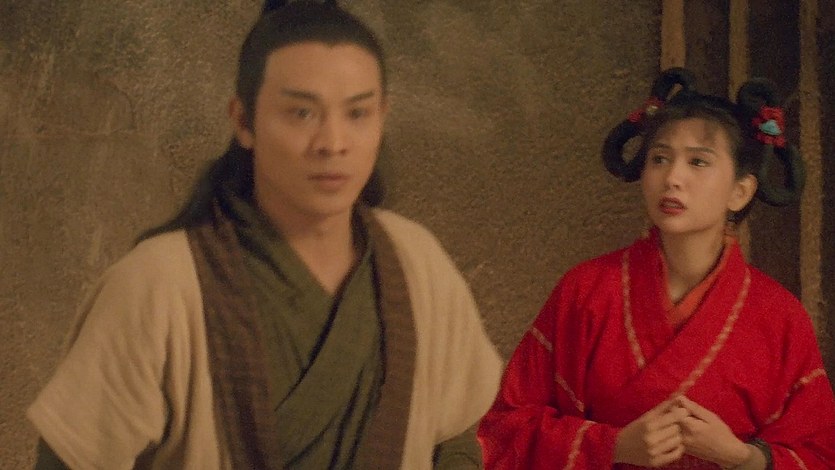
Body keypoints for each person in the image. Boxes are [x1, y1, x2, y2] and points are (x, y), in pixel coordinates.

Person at [27, 1, 502, 468]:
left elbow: (457, 437)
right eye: (301, 113)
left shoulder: (418, 262)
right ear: (243, 121)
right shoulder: (158, 284)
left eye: (357, 114)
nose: (333, 143)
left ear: (383, 117)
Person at [477, 68, 835, 469]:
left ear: (740, 191)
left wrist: (743, 457)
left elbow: (819, 455)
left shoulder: (780, 317)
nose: (672, 178)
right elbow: (503, 430)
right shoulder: (586, 290)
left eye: (698, 162)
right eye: (660, 158)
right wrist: (613, 447)